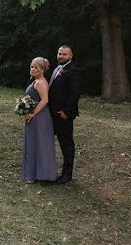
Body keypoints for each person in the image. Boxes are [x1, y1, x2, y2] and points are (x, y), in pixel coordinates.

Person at [48, 45, 81, 184]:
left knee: (66, 144)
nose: (61, 56)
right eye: (59, 53)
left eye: (64, 54)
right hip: (52, 113)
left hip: (63, 115)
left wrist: (66, 112)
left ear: (71, 56)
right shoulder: (57, 69)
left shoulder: (72, 71)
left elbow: (75, 94)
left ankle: (67, 174)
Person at [22, 57, 57, 183]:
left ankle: (43, 174)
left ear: (42, 69)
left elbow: (45, 100)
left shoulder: (40, 82)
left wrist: (32, 113)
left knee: (40, 142)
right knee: (34, 142)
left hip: (40, 116)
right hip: (35, 114)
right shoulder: (36, 80)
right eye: (31, 67)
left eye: (36, 67)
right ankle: (34, 172)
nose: (32, 69)